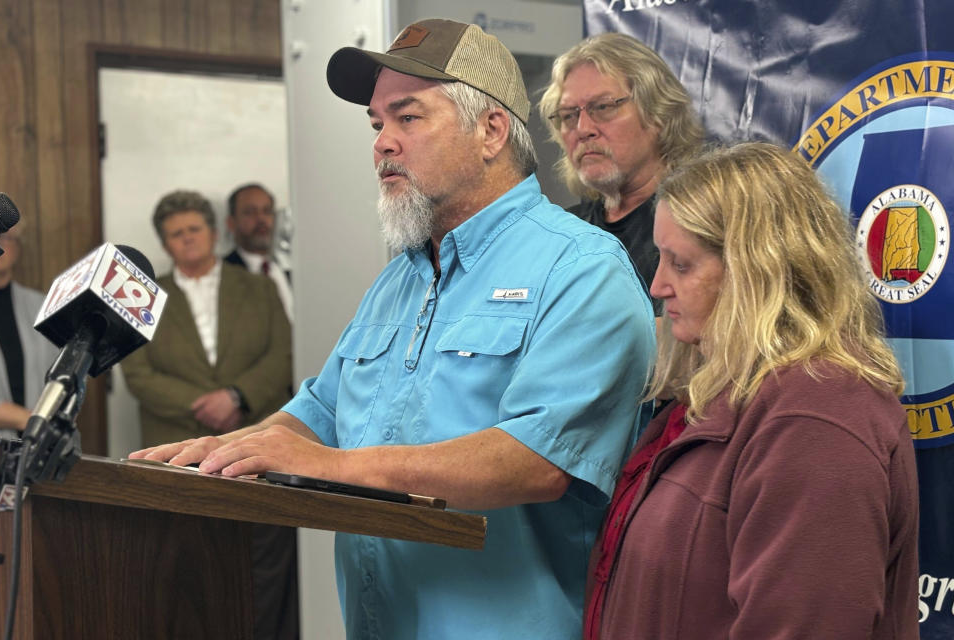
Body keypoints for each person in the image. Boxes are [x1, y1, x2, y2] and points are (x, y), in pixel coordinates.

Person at [131, 18, 656, 640]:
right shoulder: (400, 278)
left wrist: (332, 465)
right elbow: (320, 410)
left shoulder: (581, 267)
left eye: (408, 118)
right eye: (377, 123)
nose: (382, 143)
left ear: (490, 131)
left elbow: (537, 460)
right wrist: (219, 456)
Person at [585, 142, 919, 640]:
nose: (656, 286)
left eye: (681, 264)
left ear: (754, 271)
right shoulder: (729, 392)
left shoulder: (816, 420)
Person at [119, 189, 298, 640]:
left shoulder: (258, 287)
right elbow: (137, 373)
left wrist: (236, 396)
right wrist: (207, 403)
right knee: (186, 571)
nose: (187, 240)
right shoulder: (144, 294)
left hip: (254, 448)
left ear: (214, 233)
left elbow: (283, 355)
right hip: (176, 453)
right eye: (176, 234)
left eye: (194, 229)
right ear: (164, 243)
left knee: (262, 566)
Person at [539, 33, 704, 316]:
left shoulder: (701, 224)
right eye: (568, 115)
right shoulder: (558, 231)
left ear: (658, 114)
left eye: (602, 107)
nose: (582, 128)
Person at [0, 222, 59, 437]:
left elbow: (61, 377)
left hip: (37, 450)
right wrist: (27, 418)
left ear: (17, 246)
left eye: (5, 237)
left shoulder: (42, 306)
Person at [223, 183, 293, 322]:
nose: (261, 219)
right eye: (250, 212)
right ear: (231, 223)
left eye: (267, 211)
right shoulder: (222, 274)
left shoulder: (290, 271)